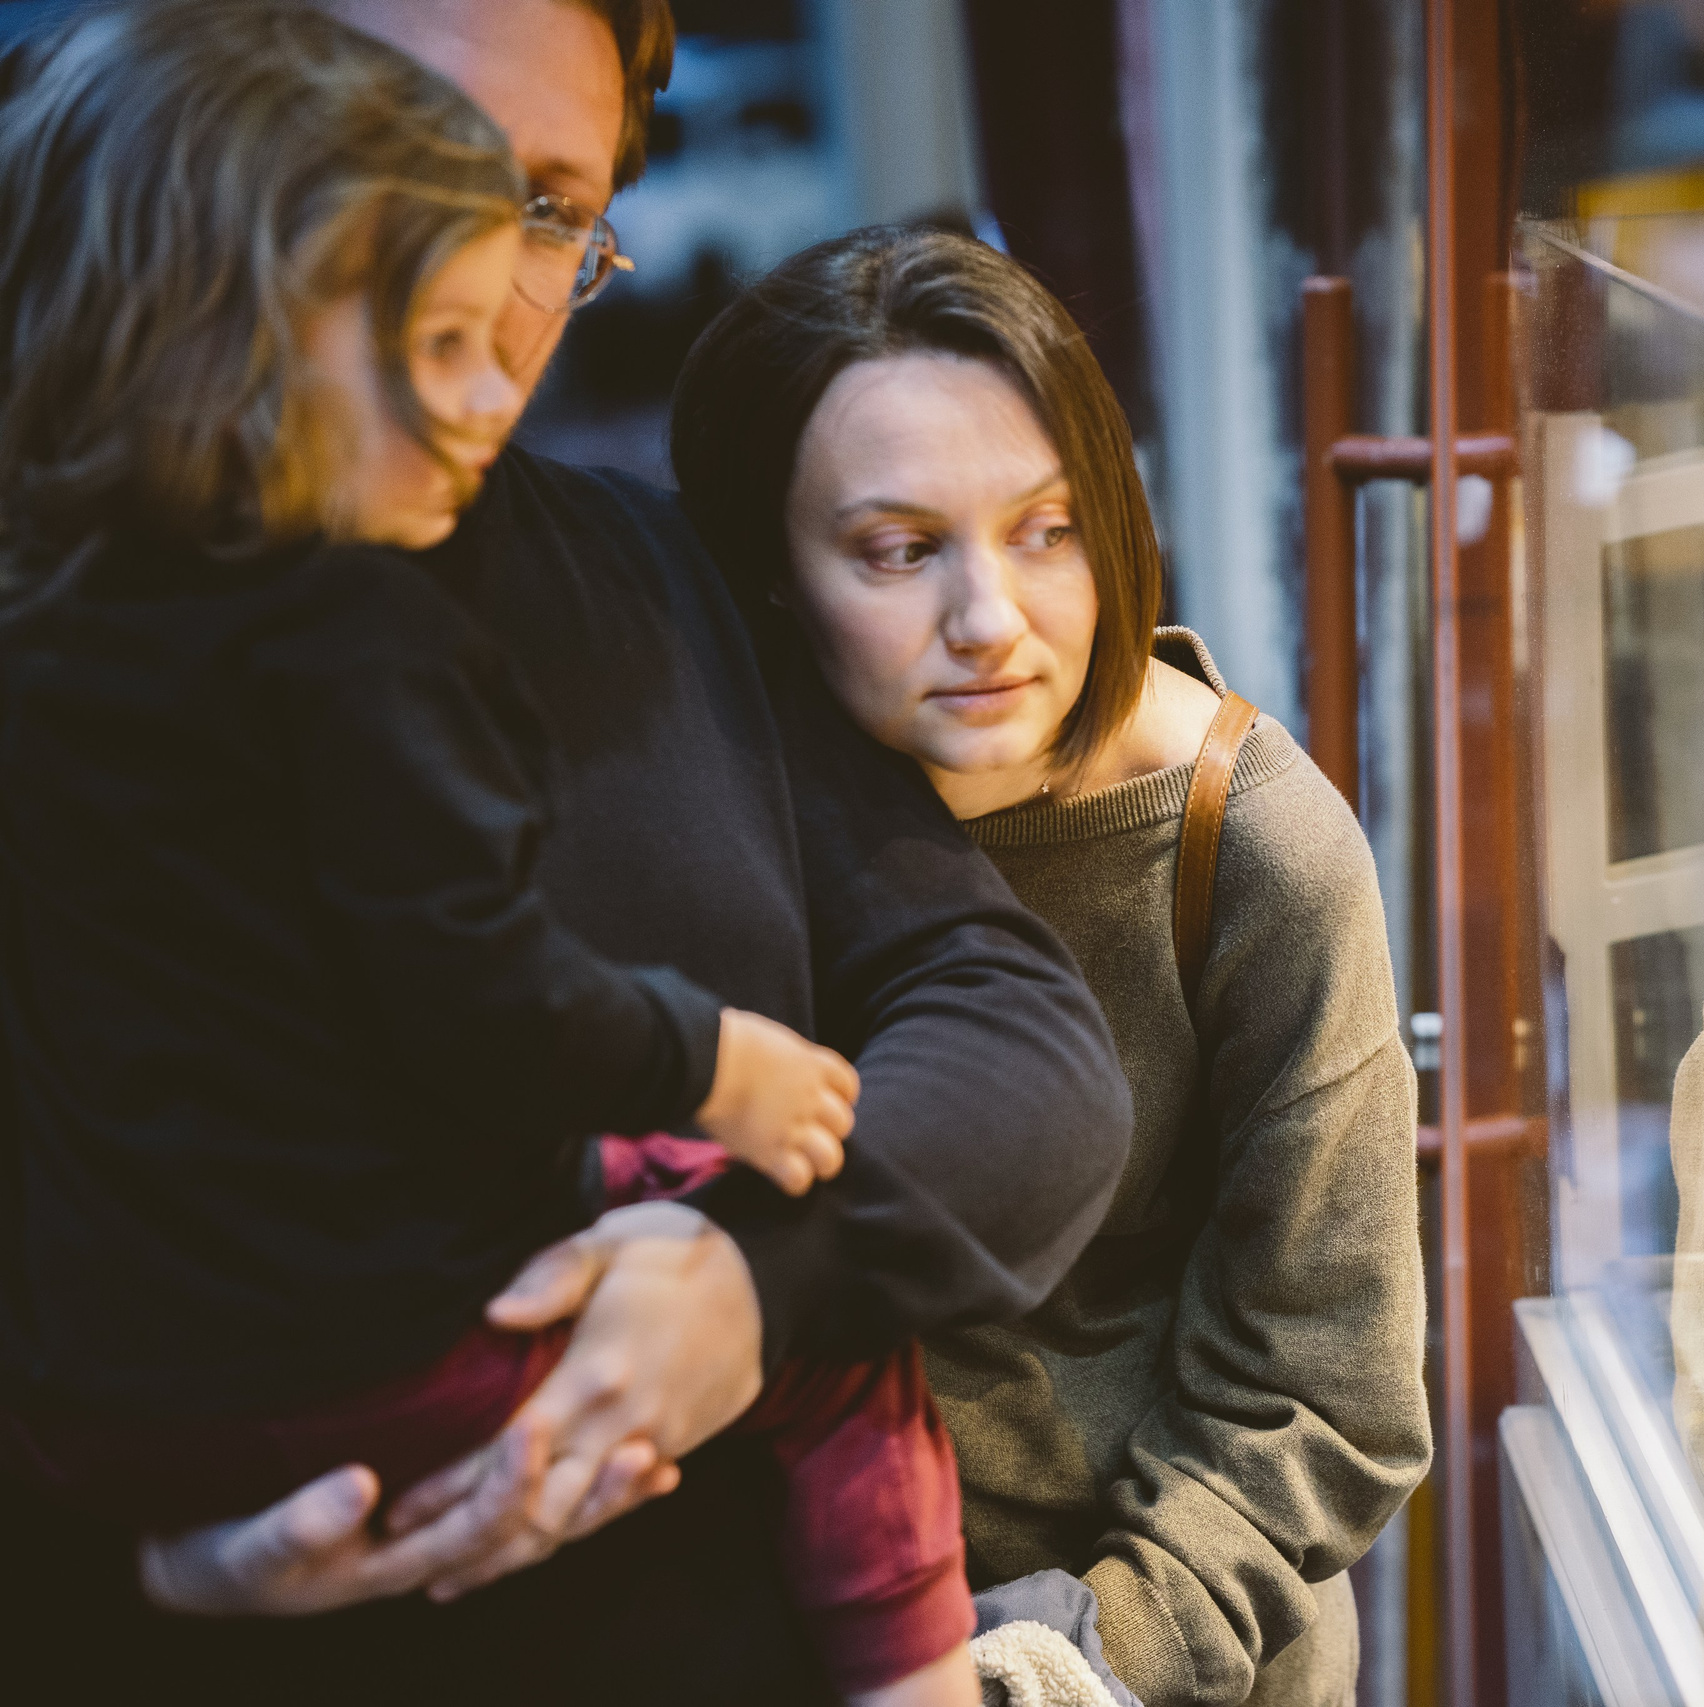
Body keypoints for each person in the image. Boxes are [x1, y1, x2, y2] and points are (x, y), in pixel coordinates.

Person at [0, 2, 1131, 1698]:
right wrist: (170, 1561)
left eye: (545, 207)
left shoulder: (665, 582)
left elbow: (1023, 1050)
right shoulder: (65, 650)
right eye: (406, 155)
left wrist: (752, 1286)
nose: (474, 275)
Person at [670, 228, 1432, 1707]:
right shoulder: (714, 812)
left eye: (1048, 527)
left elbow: (1326, 1394)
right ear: (766, 570)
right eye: (899, 550)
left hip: (1151, 1649)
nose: (992, 623)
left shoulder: (1254, 844)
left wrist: (1064, 1661)